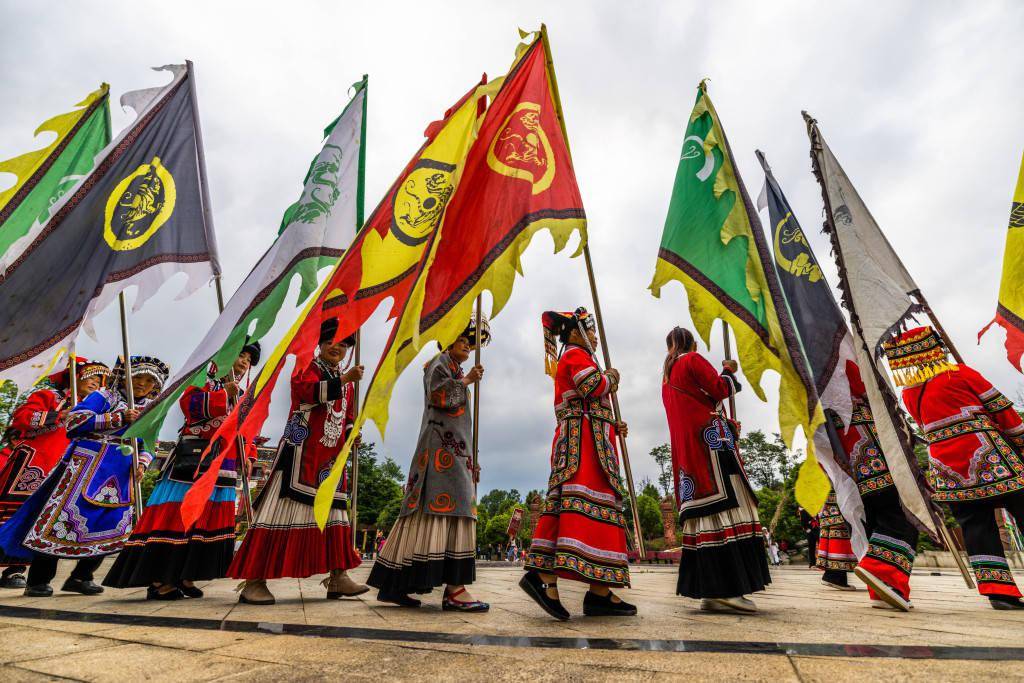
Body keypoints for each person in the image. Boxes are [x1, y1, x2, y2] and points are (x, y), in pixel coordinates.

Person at [103, 342, 262, 599]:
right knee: (177, 516)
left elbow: (249, 428)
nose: (244, 361)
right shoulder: (204, 380)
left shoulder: (243, 395)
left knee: (208, 519)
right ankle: (160, 579)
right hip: (194, 460)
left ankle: (188, 574)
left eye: (248, 359)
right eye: (240, 354)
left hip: (225, 464)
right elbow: (190, 407)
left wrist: (250, 454)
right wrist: (224, 395)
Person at [0, 355, 166, 597]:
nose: (142, 383)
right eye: (137, 377)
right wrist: (118, 418)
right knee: (59, 521)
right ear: (124, 377)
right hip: (86, 464)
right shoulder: (104, 397)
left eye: (149, 381)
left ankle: (81, 577)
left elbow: (151, 441)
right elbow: (74, 421)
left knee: (111, 525)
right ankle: (38, 580)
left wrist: (142, 462)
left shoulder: (152, 408)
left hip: (121, 470)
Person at [885, 326, 1024, 610]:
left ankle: (999, 591)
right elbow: (1002, 410)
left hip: (947, 469)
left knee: (976, 526)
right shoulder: (960, 373)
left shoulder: (909, 393)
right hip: (989, 456)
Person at [230, 319, 365, 605]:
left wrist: (353, 433)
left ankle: (338, 576)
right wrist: (344, 380)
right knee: (278, 513)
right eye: (332, 341)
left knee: (335, 516)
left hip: (330, 461)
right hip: (299, 454)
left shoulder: (347, 382)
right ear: (320, 343)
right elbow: (307, 393)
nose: (337, 347)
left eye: (343, 343)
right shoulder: (307, 367)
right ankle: (254, 580)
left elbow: (348, 416)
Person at [367, 316, 490, 612]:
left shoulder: (453, 369)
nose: (468, 346)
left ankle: (396, 584)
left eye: (470, 342)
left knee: (435, 513)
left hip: (455, 454)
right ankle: (455, 589)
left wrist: (471, 458)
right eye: (463, 340)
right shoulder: (439, 363)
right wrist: (466, 381)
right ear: (448, 341)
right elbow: (439, 396)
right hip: (440, 453)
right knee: (447, 510)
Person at [521, 308, 636, 620]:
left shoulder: (582, 356)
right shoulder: (574, 354)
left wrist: (611, 423)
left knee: (594, 509)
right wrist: (612, 377)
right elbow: (591, 386)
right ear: (575, 332)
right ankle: (544, 576)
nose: (595, 337)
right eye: (591, 330)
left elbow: (592, 400)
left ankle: (599, 590)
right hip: (580, 447)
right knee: (570, 506)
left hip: (594, 444)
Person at [658, 326, 770, 614]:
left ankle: (711, 591)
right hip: (711, 450)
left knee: (705, 517)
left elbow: (695, 407)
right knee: (729, 507)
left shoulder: (667, 377)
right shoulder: (692, 360)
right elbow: (721, 389)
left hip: (689, 458)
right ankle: (728, 589)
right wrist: (729, 370)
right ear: (693, 344)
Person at [0, 358, 109, 589]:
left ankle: (16, 569)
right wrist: (60, 415)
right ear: (75, 377)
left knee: (39, 520)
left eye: (99, 380)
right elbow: (22, 417)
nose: (95, 382)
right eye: (91, 376)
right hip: (33, 464)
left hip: (65, 469)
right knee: (15, 513)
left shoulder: (93, 409)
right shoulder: (50, 397)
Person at [830, 362, 920, 611]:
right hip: (864, 436)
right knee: (902, 510)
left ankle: (884, 590)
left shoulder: (803, 364)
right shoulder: (839, 355)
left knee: (871, 516)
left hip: (837, 447)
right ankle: (881, 570)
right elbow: (868, 388)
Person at [815, 489, 856, 590]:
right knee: (839, 532)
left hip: (829, 497)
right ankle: (835, 576)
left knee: (836, 531)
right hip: (836, 497)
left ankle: (836, 576)